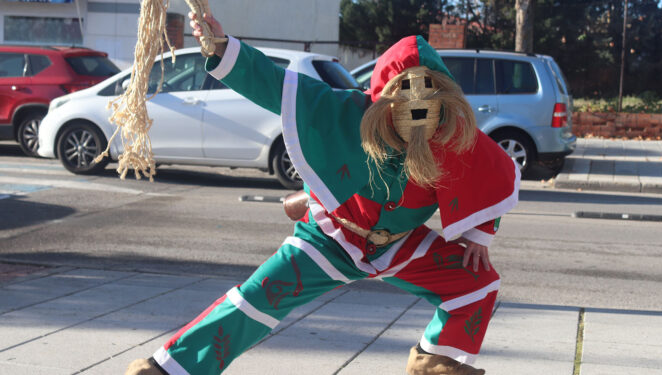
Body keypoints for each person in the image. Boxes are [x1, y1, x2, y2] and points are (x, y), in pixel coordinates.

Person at [125, 11, 520, 375]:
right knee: (257, 300)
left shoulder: (455, 135)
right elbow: (274, 83)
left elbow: (489, 180)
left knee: (477, 282)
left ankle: (436, 365)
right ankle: (168, 370)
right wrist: (224, 47)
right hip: (333, 237)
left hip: (401, 245)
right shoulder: (346, 112)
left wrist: (479, 235)